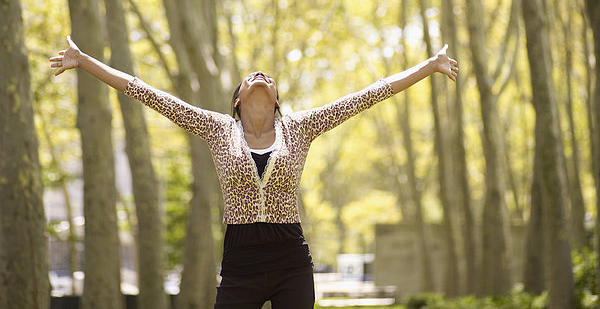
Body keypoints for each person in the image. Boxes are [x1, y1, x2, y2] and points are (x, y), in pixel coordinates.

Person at [50, 35, 459, 308]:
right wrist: (83, 61)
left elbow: (370, 94)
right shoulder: (215, 128)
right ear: (238, 100)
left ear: (277, 98)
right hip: (240, 260)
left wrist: (429, 65)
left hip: (290, 258)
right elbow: (143, 91)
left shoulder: (300, 127)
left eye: (268, 78)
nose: (260, 76)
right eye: (251, 77)